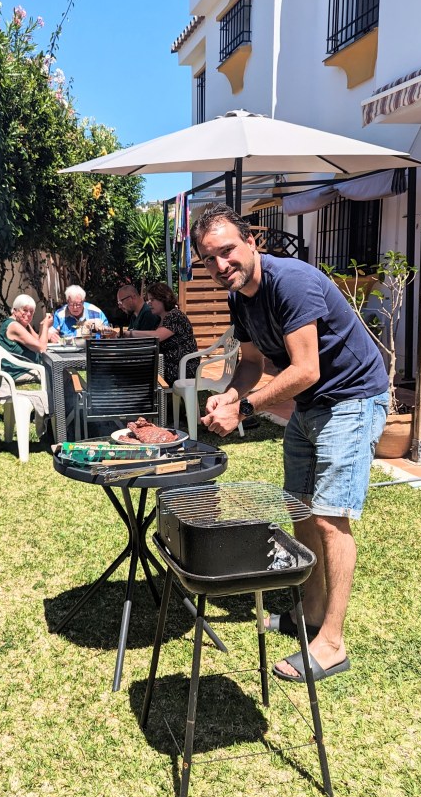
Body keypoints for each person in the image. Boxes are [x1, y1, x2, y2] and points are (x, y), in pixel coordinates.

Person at [190, 203, 389, 684]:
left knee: (329, 516)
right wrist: (229, 395)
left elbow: (306, 369)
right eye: (209, 258)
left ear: (251, 241)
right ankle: (312, 614)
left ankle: (333, 643)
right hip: (311, 405)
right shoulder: (240, 296)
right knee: (300, 508)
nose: (220, 265)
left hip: (352, 398)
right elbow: (252, 363)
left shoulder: (290, 282)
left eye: (227, 251)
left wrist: (246, 409)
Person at [127, 281, 199, 386]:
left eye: (152, 300)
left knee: (135, 371)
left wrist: (130, 334)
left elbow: (157, 336)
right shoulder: (159, 319)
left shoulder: (175, 315)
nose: (149, 303)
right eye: (148, 300)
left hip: (182, 369)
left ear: (164, 299)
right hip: (166, 365)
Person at [0, 294, 58, 379]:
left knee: (61, 372)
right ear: (15, 310)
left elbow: (38, 340)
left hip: (27, 368)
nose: (28, 314)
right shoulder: (14, 325)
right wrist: (45, 327)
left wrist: (42, 325)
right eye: (25, 310)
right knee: (59, 374)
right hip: (17, 372)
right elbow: (42, 348)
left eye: (31, 311)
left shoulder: (24, 324)